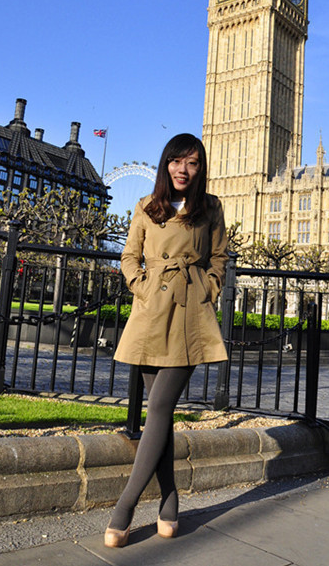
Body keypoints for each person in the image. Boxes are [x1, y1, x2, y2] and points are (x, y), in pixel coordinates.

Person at [104, 133, 228, 548]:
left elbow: (219, 258)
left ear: (200, 169)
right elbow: (129, 256)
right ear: (166, 164)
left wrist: (209, 287)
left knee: (158, 407)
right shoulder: (146, 206)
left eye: (192, 163)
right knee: (163, 415)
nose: (183, 169)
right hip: (150, 312)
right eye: (177, 161)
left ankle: (125, 506)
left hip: (189, 311)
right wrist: (140, 286)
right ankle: (170, 499)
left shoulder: (210, 207)